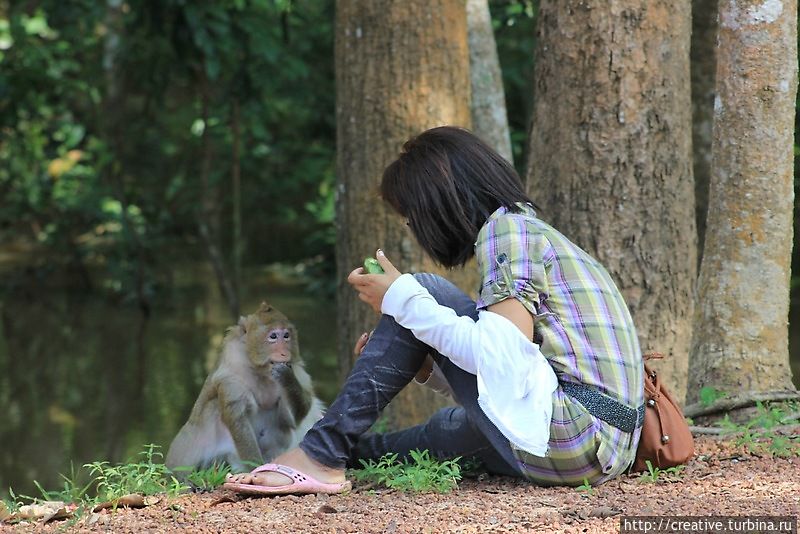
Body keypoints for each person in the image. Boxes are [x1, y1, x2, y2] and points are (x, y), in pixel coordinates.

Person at [224, 126, 644, 494]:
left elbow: (503, 357)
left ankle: (321, 455)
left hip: (575, 435)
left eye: (410, 217)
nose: (414, 229)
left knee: (422, 287)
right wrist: (430, 369)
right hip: (602, 447)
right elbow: (519, 376)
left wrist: (402, 299)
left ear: (437, 201)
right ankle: (315, 454)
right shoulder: (530, 232)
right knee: (446, 431)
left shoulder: (507, 232)